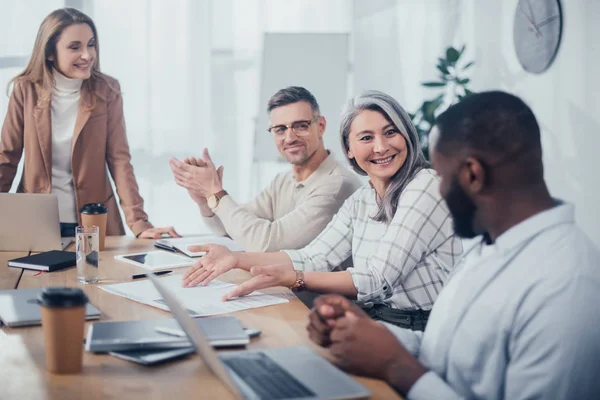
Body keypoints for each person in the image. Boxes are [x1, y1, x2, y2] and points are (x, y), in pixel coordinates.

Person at [306, 91, 600, 398]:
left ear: (473, 174)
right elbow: (444, 352)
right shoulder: (486, 246)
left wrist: (397, 365)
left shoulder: (567, 286)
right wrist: (358, 329)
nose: (439, 190)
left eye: (442, 176)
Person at [182, 91, 462, 330]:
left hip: (419, 328)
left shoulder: (425, 184)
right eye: (366, 138)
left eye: (391, 132)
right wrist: (234, 258)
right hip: (376, 323)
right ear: (349, 149)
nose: (381, 146)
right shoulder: (363, 198)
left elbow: (379, 280)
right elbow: (314, 256)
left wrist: (294, 279)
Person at [0, 8, 178, 239]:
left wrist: (139, 223)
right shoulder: (26, 90)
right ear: (50, 53)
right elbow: (7, 158)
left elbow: (120, 161)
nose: (87, 55)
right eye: (75, 47)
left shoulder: (107, 90)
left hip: (95, 220)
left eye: (91, 44)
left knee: (101, 276)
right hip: (35, 222)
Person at [169, 86, 361, 252]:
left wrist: (215, 192)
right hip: (281, 289)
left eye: (300, 126)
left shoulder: (337, 185)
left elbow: (268, 244)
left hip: (315, 296)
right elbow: (230, 228)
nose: (289, 137)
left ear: (320, 126)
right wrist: (205, 199)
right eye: (280, 129)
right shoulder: (283, 180)